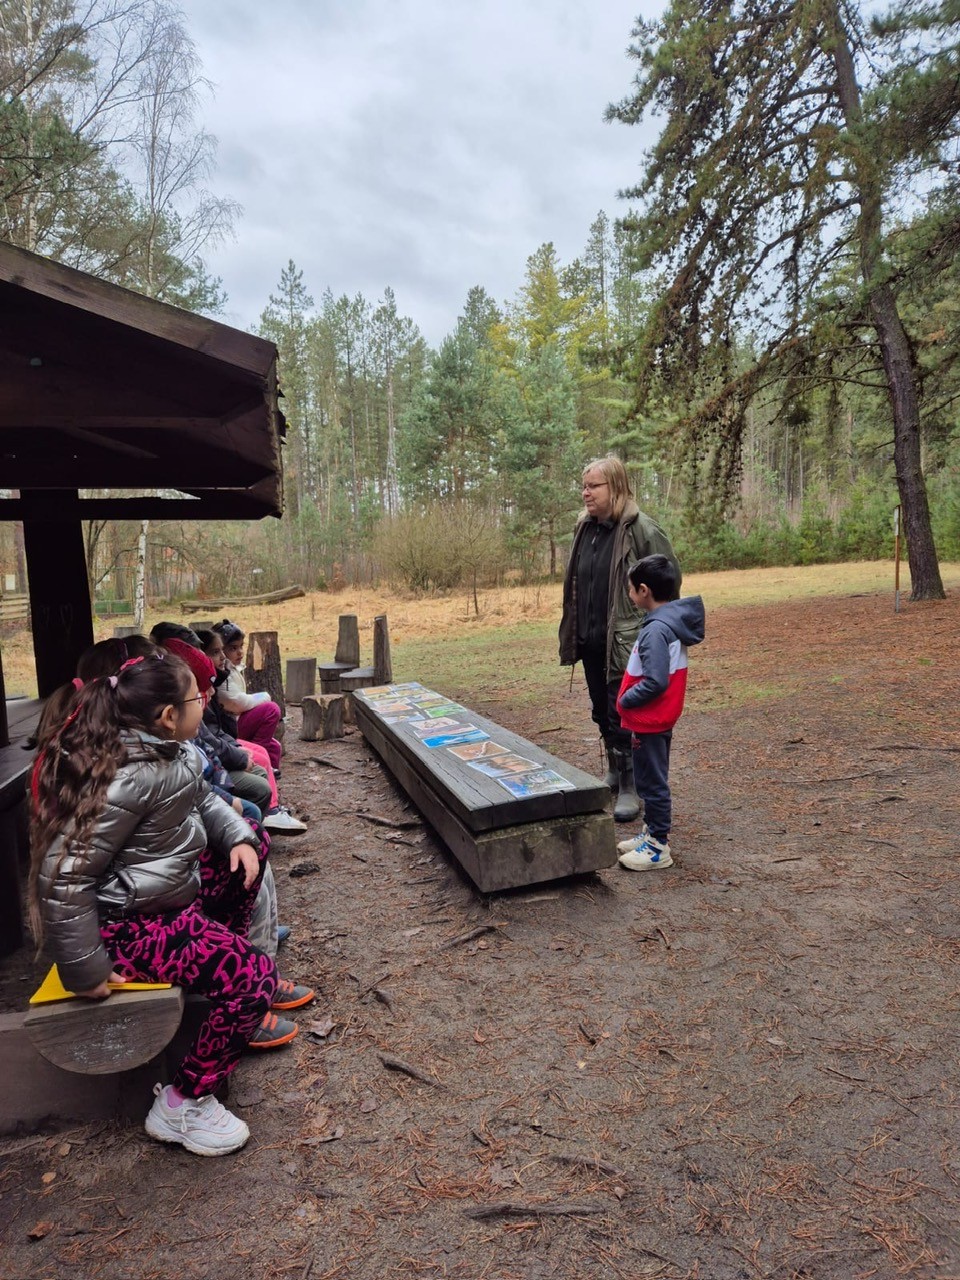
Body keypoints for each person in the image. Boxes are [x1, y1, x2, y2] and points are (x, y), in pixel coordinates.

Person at [29, 652, 278, 1155]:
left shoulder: (174, 752)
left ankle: (219, 962)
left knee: (251, 845)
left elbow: (203, 800)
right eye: (197, 698)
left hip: (162, 900)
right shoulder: (127, 777)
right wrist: (86, 970)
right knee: (256, 980)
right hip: (126, 927)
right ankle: (184, 1102)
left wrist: (238, 836)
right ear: (168, 715)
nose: (205, 702)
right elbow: (64, 876)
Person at [559, 455, 681, 821]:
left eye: (593, 486)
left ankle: (631, 785)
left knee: (622, 712)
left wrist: (655, 629)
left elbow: (669, 582)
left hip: (627, 640)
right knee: (601, 709)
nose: (586, 493)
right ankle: (614, 769)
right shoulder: (585, 527)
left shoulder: (642, 529)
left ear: (616, 487)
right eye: (584, 486)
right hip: (591, 637)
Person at [614, 555, 705, 871]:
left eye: (630, 589)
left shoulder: (655, 630)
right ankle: (651, 831)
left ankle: (657, 847)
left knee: (651, 783)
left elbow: (655, 680)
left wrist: (626, 700)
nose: (629, 595)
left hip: (650, 719)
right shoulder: (670, 621)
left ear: (644, 591)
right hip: (658, 716)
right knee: (652, 777)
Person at [211, 619, 283, 774]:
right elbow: (236, 702)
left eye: (241, 646)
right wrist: (264, 696)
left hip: (236, 719)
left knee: (275, 747)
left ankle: (270, 777)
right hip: (228, 726)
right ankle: (257, 756)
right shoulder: (221, 674)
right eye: (233, 648)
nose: (240, 652)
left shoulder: (232, 669)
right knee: (271, 709)